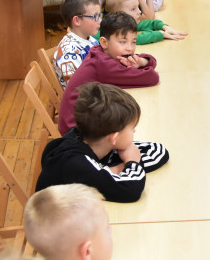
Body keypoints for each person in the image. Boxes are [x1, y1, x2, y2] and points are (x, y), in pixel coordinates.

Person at [40, 83, 169, 202]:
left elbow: (157, 151)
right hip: (52, 223)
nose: (134, 130)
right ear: (114, 138)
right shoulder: (78, 164)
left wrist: (116, 168)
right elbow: (130, 190)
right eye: (132, 127)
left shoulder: (90, 139)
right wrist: (131, 162)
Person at [58, 12, 159, 134]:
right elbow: (152, 77)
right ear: (104, 42)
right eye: (122, 42)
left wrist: (141, 61)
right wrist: (141, 64)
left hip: (87, 117)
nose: (130, 48)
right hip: (77, 131)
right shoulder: (104, 66)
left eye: (133, 41)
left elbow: (151, 62)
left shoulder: (104, 53)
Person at [102, 0, 186, 45]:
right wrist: (161, 34)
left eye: (138, 7)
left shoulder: (125, 24)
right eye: (133, 9)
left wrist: (165, 27)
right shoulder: (111, 30)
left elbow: (150, 24)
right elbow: (134, 39)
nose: (139, 12)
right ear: (118, 14)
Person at [53, 0, 102, 88]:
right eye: (95, 17)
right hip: (85, 99)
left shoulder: (90, 38)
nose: (100, 20)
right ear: (77, 21)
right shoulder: (69, 52)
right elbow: (77, 89)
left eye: (100, 15)